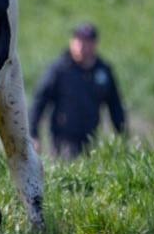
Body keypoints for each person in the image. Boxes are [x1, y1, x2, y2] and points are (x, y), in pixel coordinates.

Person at [29, 23, 126, 158]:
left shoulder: (103, 71)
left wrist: (122, 136)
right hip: (63, 139)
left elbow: (115, 105)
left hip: (90, 138)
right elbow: (39, 101)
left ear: (94, 44)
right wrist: (33, 133)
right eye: (78, 41)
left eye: (85, 42)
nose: (80, 46)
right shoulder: (60, 69)